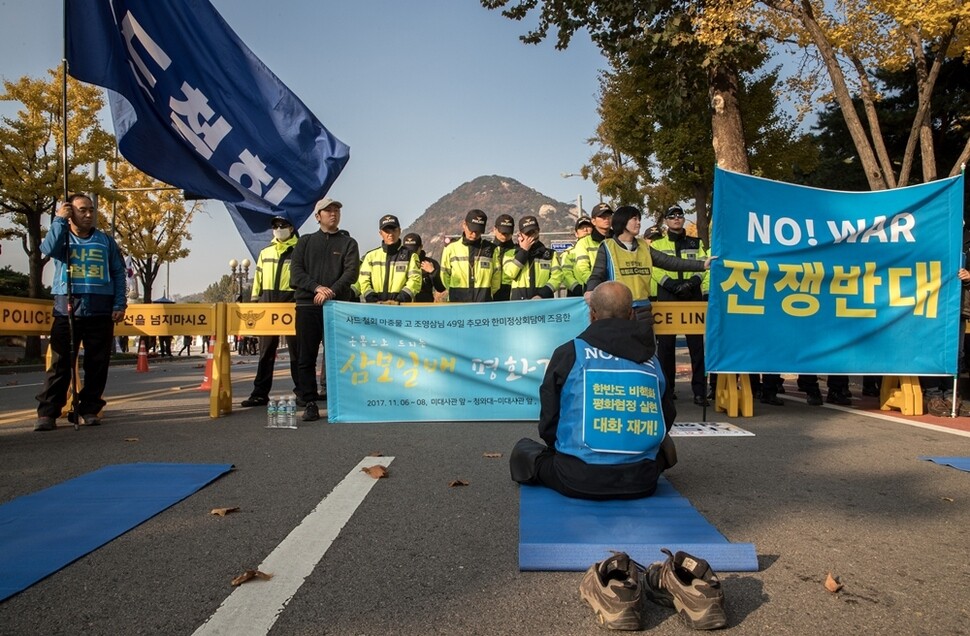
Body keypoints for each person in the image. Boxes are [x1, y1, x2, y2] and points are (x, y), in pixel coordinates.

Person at [509, 282, 678, 499]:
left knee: (524, 451)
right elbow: (667, 416)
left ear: (592, 314)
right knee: (661, 445)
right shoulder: (651, 361)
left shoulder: (569, 353)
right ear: (631, 314)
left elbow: (549, 421)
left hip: (578, 477)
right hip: (641, 480)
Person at [35, 194, 127, 431]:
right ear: (70, 212)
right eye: (82, 210)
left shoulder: (105, 241)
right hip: (67, 307)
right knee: (60, 363)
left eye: (91, 210)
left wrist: (119, 304)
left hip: (100, 308)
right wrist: (58, 221)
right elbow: (47, 248)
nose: (88, 215)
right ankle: (48, 412)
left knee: (97, 364)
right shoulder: (62, 238)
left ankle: (88, 408)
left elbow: (118, 272)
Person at [585, 205, 711, 332]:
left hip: (643, 309)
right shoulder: (607, 247)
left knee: (646, 349)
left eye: (639, 219)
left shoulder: (643, 246)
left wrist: (702, 265)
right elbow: (597, 275)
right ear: (622, 221)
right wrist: (590, 290)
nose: (639, 223)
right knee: (621, 348)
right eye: (634, 219)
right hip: (618, 310)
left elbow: (669, 262)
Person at [289, 197, 360, 422]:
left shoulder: (348, 243)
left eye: (336, 210)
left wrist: (330, 291)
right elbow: (296, 273)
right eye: (327, 210)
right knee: (306, 357)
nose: (333, 213)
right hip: (307, 306)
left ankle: (341, 401)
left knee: (339, 356)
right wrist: (317, 287)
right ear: (317, 216)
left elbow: (351, 273)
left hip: (336, 306)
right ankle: (309, 401)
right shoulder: (305, 242)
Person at [651, 205, 710, 406]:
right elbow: (654, 268)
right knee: (666, 348)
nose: (676, 219)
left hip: (692, 295)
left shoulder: (696, 242)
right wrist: (671, 284)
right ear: (666, 221)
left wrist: (693, 282)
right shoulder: (657, 244)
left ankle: (700, 391)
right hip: (668, 295)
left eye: (680, 215)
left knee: (696, 346)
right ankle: (668, 390)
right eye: (672, 216)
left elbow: (704, 264)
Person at [240, 215, 300, 408]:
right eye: (276, 226)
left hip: (291, 300)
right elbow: (258, 279)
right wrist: (255, 300)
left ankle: (303, 391)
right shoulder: (265, 253)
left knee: (296, 352)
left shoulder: (300, 249)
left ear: (291, 228)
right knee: (265, 351)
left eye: (283, 225)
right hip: (267, 301)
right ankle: (259, 393)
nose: (279, 228)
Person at [440, 209, 502, 302]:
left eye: (478, 231)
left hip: (483, 303)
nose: (474, 234)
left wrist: (486, 293)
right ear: (464, 225)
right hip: (457, 303)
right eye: (472, 230)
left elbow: (496, 279)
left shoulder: (492, 249)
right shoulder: (450, 248)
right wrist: (455, 292)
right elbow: (445, 275)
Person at [357, 214, 422, 303]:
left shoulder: (411, 256)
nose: (391, 234)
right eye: (387, 231)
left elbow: (415, 280)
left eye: (394, 230)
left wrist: (399, 300)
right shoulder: (370, 256)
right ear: (380, 233)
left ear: (399, 231)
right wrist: (372, 299)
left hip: (401, 307)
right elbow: (363, 280)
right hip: (375, 307)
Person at [504, 215, 562, 300]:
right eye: (528, 233)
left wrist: (542, 295)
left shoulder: (550, 254)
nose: (531, 236)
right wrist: (524, 250)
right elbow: (511, 273)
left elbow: (557, 278)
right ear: (520, 235)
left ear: (538, 231)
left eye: (533, 232)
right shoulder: (510, 253)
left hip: (543, 301)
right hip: (519, 303)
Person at [568, 203, 613, 295]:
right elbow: (583, 268)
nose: (606, 219)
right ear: (593, 221)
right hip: (595, 291)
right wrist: (595, 285)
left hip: (617, 290)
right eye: (602, 216)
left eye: (608, 216)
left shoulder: (617, 239)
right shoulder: (583, 243)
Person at [402, 233, 445, 302]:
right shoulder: (399, 263)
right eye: (409, 251)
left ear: (421, 247)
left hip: (425, 306)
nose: (412, 254)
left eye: (414, 250)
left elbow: (440, 288)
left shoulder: (431, 263)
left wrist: (433, 272)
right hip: (404, 304)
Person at [561, 215, 593, 297]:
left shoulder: (599, 248)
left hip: (597, 290)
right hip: (576, 294)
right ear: (576, 234)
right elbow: (566, 274)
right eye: (582, 228)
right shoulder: (569, 253)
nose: (585, 230)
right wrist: (577, 288)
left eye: (588, 227)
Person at [491, 213, 517, 301]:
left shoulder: (518, 251)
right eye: (502, 232)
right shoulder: (487, 249)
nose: (505, 235)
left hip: (512, 296)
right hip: (489, 296)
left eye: (508, 232)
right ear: (494, 229)